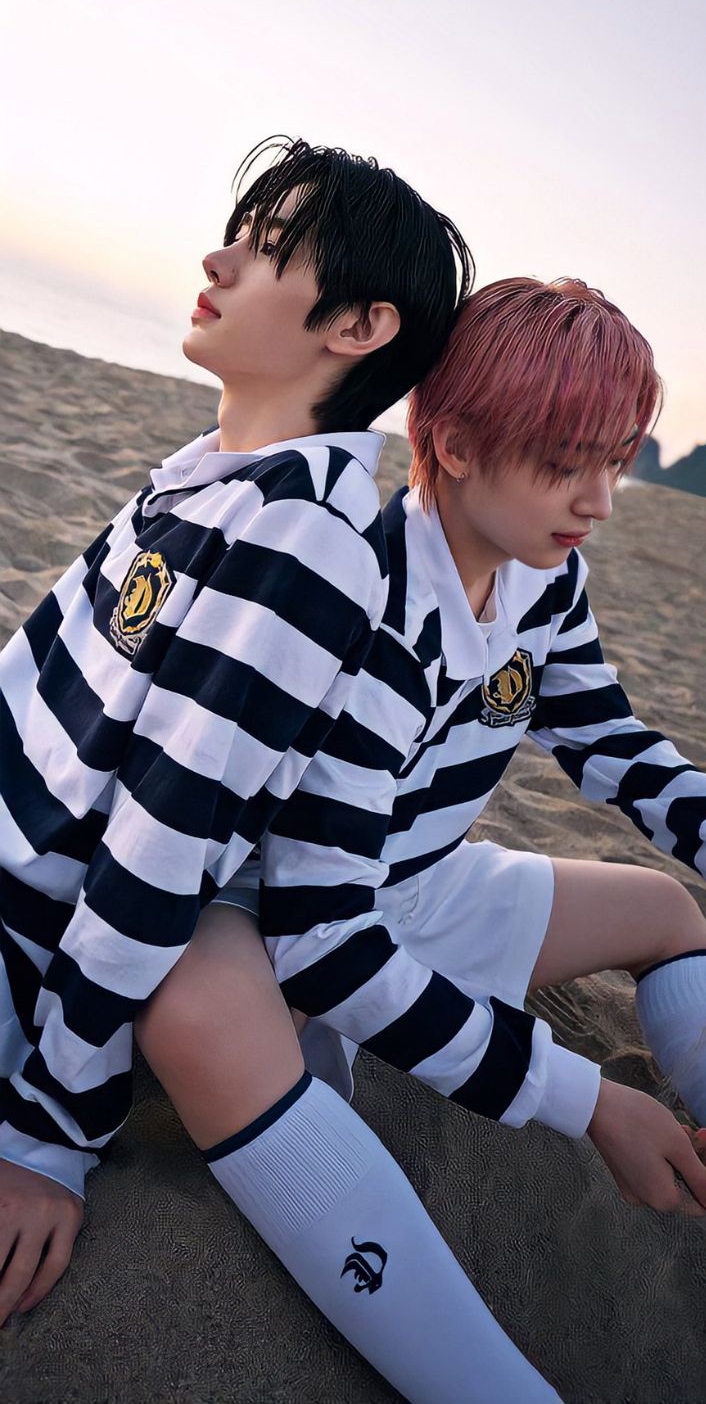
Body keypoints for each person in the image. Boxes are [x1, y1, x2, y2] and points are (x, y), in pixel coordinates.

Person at [2, 137, 557, 1404]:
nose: (218, 257)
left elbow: (163, 835)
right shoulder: (206, 479)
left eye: (267, 246)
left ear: (361, 324)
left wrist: (47, 1134)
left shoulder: (303, 535)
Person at [137, 276, 706, 1400]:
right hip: (274, 913)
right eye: (569, 462)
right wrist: (594, 1099)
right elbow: (321, 929)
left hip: (416, 879)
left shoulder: (546, 581)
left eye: (617, 459)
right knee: (201, 1009)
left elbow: (611, 744)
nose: (599, 498)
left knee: (660, 910)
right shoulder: (354, 589)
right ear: (452, 444)